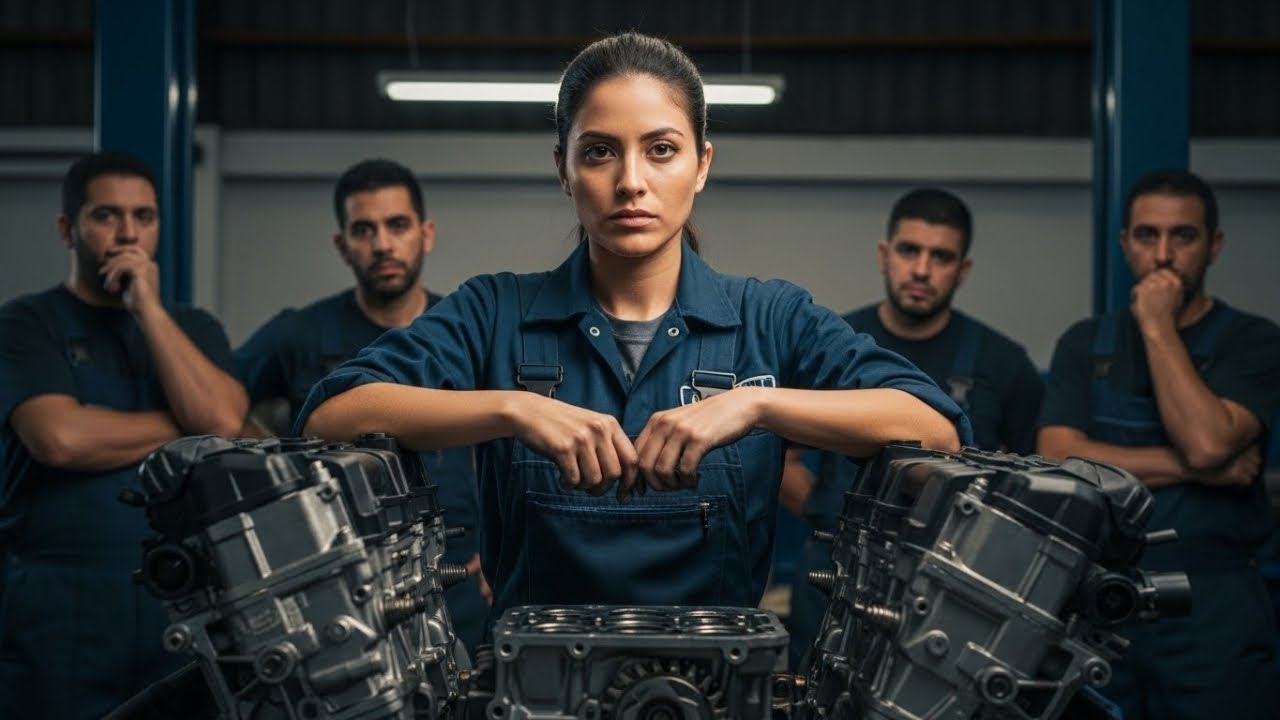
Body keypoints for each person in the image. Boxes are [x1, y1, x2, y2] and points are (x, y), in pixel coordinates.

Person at [295, 32, 969, 625]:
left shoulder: (772, 319)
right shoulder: (493, 312)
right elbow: (331, 418)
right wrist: (513, 409)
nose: (631, 182)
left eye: (662, 150)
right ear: (563, 170)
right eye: (599, 152)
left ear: (702, 165)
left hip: (719, 692)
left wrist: (755, 406)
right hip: (532, 694)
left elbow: (934, 429)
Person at [0, 151, 248, 719]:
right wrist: (184, 425)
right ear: (67, 229)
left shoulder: (193, 327)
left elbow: (222, 421)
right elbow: (58, 439)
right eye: (106, 215)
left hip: (176, 596)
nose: (128, 233)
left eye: (144, 216)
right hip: (58, 605)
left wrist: (149, 311)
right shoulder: (25, 324)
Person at [1038, 169, 1280, 719]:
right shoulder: (1084, 344)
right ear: (1125, 244)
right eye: (1147, 236)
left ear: (1214, 245)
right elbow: (1057, 456)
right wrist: (1197, 470)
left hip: (1212, 604)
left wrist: (1156, 325)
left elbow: (1206, 441)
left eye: (1183, 236)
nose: (1164, 255)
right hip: (1100, 600)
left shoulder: (1254, 342)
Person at [233, 158, 489, 654]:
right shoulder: (301, 333)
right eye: (363, 230)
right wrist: (281, 466)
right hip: (336, 578)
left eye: (397, 225)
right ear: (342, 244)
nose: (382, 244)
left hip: (455, 572)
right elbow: (216, 408)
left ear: (426, 234)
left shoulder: (467, 331)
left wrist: (504, 546)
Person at [782, 187, 1044, 667]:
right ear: (885, 256)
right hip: (835, 569)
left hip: (952, 583)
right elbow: (781, 457)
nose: (922, 270)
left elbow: (1037, 482)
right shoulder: (831, 346)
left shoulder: (1002, 364)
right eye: (909, 250)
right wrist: (828, 515)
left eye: (941, 257)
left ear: (962, 270)